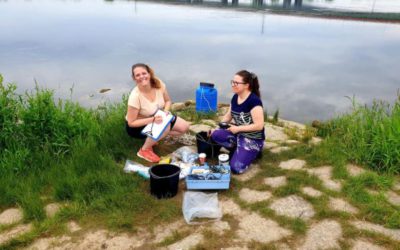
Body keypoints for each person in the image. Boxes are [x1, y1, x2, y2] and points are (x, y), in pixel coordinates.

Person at [125, 63, 190, 163]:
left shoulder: (158, 84)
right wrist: (153, 120)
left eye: (144, 73)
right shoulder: (135, 96)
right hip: (137, 126)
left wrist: (166, 111)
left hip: (158, 116)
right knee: (166, 126)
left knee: (184, 127)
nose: (142, 77)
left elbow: (168, 101)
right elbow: (131, 123)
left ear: (149, 73)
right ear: (134, 78)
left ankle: (155, 138)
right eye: (137, 75)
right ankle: (144, 150)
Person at [211, 70, 265, 174]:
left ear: (246, 85)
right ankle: (239, 148)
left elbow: (259, 125)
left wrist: (238, 128)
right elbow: (228, 115)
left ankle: (255, 151)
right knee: (215, 135)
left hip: (253, 139)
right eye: (232, 82)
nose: (233, 85)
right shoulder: (235, 97)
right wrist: (216, 128)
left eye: (236, 83)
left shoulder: (254, 101)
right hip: (238, 134)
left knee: (236, 167)